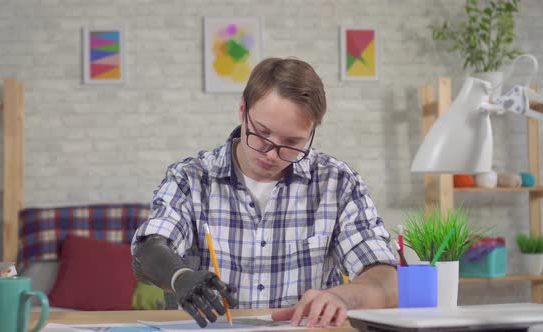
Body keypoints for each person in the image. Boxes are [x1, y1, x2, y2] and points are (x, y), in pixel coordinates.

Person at [131, 57, 398, 328]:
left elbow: (386, 279)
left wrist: (342, 297)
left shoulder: (338, 183)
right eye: (261, 133)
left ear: (312, 132)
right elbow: (148, 251)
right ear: (242, 110)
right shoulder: (190, 178)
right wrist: (180, 277)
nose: (271, 154)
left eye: (292, 142)